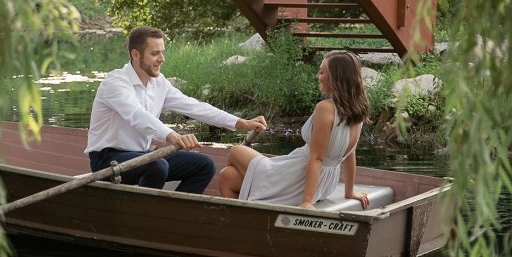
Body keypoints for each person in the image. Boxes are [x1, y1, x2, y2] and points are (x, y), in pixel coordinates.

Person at [86, 26, 267, 195]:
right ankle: (145, 217)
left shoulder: (159, 83)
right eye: (155, 53)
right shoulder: (115, 83)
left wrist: (239, 122)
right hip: (107, 159)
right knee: (157, 165)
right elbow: (137, 116)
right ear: (135, 54)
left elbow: (194, 106)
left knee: (204, 165)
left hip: (142, 156)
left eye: (162, 52)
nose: (162, 59)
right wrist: (174, 136)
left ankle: (174, 213)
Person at [218, 49, 371, 209]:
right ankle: (246, 220)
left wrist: (307, 201)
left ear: (335, 79)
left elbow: (317, 158)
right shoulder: (358, 109)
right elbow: (350, 154)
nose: (317, 76)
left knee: (236, 151)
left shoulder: (325, 108)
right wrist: (350, 191)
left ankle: (256, 201)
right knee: (227, 177)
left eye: (322, 72)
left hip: (299, 177)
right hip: (325, 183)